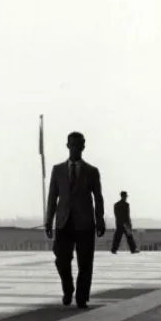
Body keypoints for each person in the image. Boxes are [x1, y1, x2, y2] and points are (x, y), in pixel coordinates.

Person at [45, 131, 105, 309]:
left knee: (85, 262)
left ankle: (81, 297)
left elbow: (98, 197)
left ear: (83, 147)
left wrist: (100, 220)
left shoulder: (92, 171)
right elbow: (52, 197)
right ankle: (68, 289)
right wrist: (48, 221)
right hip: (64, 222)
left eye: (78, 146)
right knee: (61, 260)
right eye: (72, 145)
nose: (75, 149)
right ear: (67, 146)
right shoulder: (58, 170)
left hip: (85, 223)